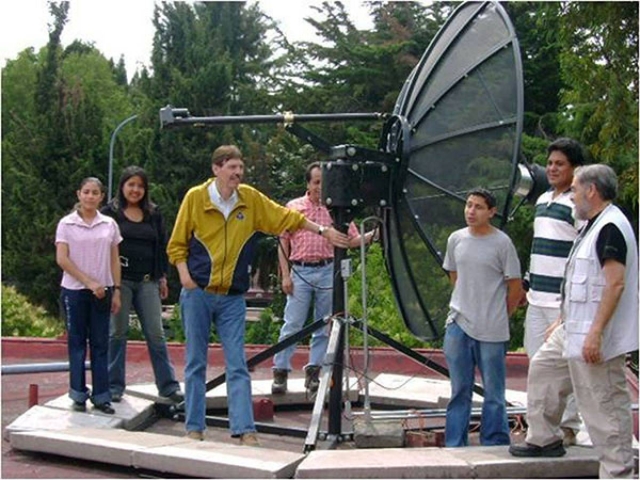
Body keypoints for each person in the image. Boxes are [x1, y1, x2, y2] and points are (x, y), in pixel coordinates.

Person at [167, 145, 349, 445]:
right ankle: (194, 427)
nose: (238, 173)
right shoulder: (195, 198)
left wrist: (322, 230)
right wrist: (185, 279)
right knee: (195, 361)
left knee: (237, 363)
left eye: (240, 168)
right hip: (198, 292)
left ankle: (244, 429)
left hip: (232, 298)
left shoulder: (250, 199)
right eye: (231, 167)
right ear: (216, 169)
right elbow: (177, 244)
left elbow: (286, 218)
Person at [510, 165, 638, 478]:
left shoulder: (611, 227)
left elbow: (615, 284)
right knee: (544, 367)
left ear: (591, 191)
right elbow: (582, 281)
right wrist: (565, 320)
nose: (573, 197)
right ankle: (544, 438)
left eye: (576, 190)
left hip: (596, 336)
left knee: (603, 407)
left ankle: (619, 471)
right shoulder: (591, 226)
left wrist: (595, 333)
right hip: (574, 329)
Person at [271, 162, 375, 396]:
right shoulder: (294, 207)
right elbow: (283, 241)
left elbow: (351, 240)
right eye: (316, 182)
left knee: (324, 325)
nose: (320, 187)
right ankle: (280, 370)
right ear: (308, 184)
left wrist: (373, 235)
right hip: (301, 270)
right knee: (293, 323)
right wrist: (285, 275)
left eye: (323, 183)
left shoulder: (335, 208)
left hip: (328, 270)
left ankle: (314, 372)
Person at [442, 188, 522, 447]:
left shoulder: (502, 243)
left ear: (491, 212)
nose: (471, 211)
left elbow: (515, 286)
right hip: (459, 322)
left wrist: (502, 314)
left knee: (494, 392)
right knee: (459, 389)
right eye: (468, 205)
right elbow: (454, 275)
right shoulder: (456, 239)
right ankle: (455, 442)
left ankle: (495, 441)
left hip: (492, 327)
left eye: (478, 207)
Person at [523, 138, 586, 445]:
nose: (552, 168)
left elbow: (582, 251)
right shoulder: (543, 199)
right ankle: (543, 428)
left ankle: (568, 427)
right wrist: (528, 281)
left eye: (560, 163)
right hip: (537, 297)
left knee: (567, 367)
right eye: (549, 163)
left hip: (563, 302)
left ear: (574, 168)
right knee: (538, 365)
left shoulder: (578, 204)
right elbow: (539, 245)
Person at [101, 166, 181, 403]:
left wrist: (163, 277)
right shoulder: (110, 213)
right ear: (122, 186)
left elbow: (161, 247)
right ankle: (114, 386)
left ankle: (168, 386)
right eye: (131, 185)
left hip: (148, 281)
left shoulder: (153, 214)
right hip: (120, 282)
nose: (135, 190)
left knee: (156, 333)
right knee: (117, 333)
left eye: (140, 186)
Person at [55, 177, 122, 415]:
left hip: (103, 291)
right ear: (79, 194)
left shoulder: (109, 224)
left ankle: (102, 395)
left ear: (101, 196)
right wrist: (88, 282)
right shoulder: (67, 224)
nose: (90, 196)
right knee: (76, 343)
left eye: (95, 192)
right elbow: (62, 259)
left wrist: (116, 290)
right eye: (86, 192)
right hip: (75, 291)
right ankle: (78, 393)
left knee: (101, 343)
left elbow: (114, 259)